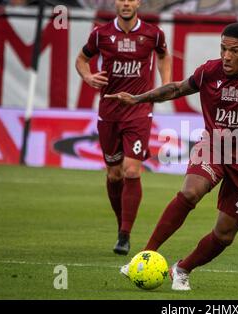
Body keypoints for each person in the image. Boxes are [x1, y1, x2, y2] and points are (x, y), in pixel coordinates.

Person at [106, 22, 238, 291]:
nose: (227, 56)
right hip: (215, 145)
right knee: (189, 193)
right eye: (223, 49)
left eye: (234, 50)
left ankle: (183, 268)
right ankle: (144, 256)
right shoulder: (210, 70)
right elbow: (176, 89)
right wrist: (138, 99)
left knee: (225, 233)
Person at [75, 0, 172, 255]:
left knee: (131, 170)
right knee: (114, 174)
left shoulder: (153, 34)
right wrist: (87, 76)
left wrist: (166, 85)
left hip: (139, 110)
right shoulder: (100, 34)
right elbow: (81, 59)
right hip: (108, 111)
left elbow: (163, 55)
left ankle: (124, 234)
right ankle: (122, 226)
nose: (126, 3)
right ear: (115, 3)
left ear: (138, 2)